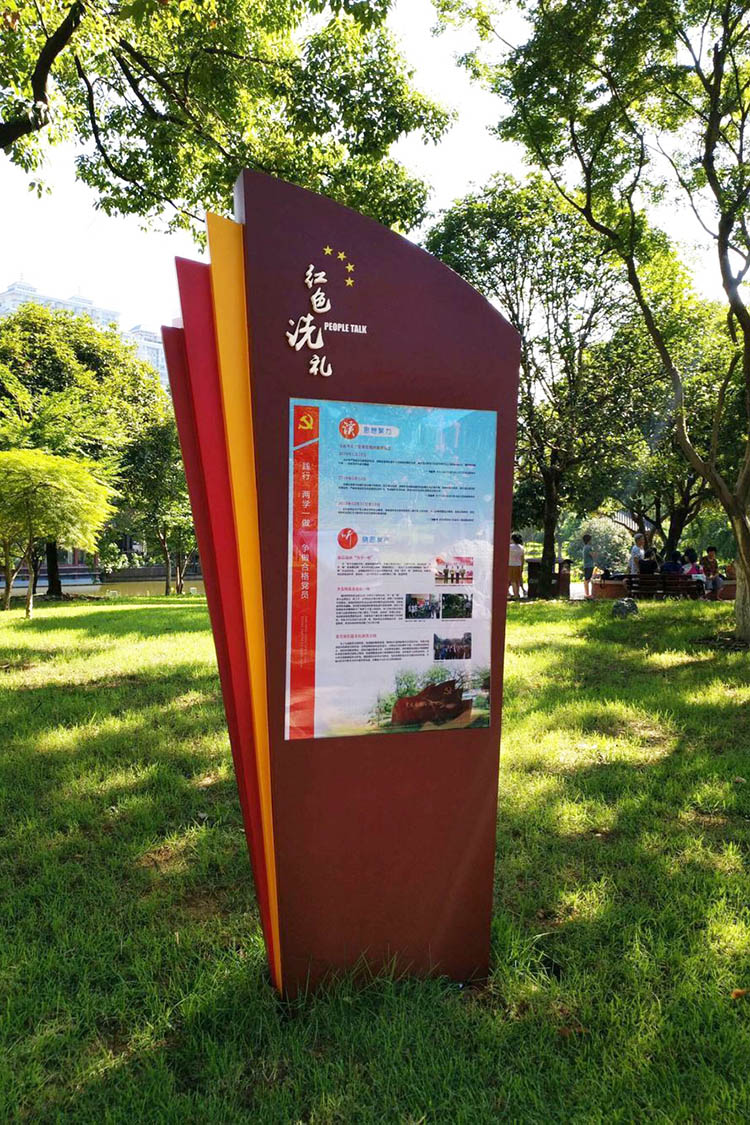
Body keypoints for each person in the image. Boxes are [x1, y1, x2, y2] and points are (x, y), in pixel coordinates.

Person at [508, 533, 525, 600]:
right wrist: (522, 567)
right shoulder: (521, 547)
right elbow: (522, 558)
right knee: (517, 580)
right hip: (518, 565)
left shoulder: (510, 547)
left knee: (513, 581)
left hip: (511, 565)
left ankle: (515, 595)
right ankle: (517, 594)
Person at [582, 533, 597, 600]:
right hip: (589, 566)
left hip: (587, 565)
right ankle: (587, 594)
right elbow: (593, 556)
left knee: (587, 579)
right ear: (589, 540)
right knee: (587, 580)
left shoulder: (585, 547)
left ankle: (587, 594)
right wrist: (596, 552)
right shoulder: (588, 547)